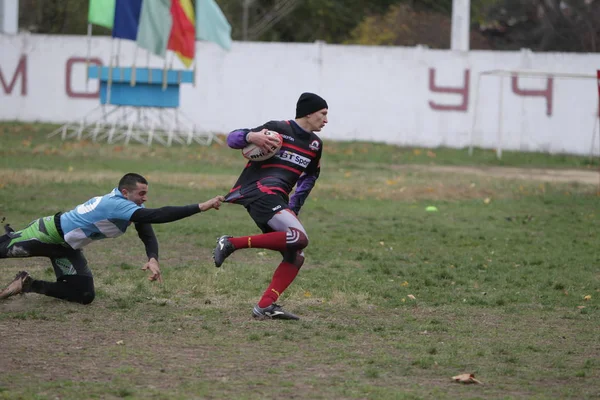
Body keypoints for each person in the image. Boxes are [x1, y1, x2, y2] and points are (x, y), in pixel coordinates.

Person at [0, 173, 224, 304]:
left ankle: (27, 284)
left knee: (84, 294)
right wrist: (200, 206)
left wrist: (153, 258)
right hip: (47, 233)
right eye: (141, 194)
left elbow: (146, 230)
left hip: (65, 248)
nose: (145, 198)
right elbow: (158, 215)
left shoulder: (129, 205)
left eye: (146, 193)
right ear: (125, 193)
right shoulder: (115, 204)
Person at [213, 92, 328, 320]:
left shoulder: (315, 145)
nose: (326, 120)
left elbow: (308, 178)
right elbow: (232, 139)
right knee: (300, 238)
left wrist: (292, 209)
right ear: (308, 112)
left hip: (277, 199)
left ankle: (265, 306)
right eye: (323, 114)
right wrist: (251, 136)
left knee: (296, 254)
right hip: (259, 190)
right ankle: (231, 243)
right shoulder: (277, 129)